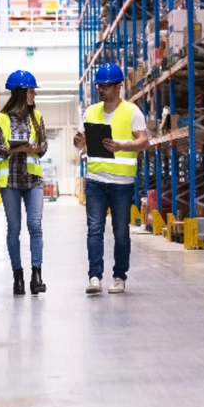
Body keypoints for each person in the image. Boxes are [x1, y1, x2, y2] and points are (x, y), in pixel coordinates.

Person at [73, 61, 150, 295]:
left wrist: (122, 145)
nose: (101, 90)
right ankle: (94, 277)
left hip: (121, 184)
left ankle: (119, 277)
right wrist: (79, 141)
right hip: (96, 179)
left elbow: (144, 141)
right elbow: (80, 145)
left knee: (120, 233)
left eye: (106, 86)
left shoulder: (132, 111)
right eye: (99, 86)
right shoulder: (91, 112)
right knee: (94, 229)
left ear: (118, 87)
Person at [0, 70, 48, 295]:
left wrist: (35, 149)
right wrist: (19, 149)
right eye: (31, 91)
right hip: (11, 180)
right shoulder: (1, 119)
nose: (34, 95)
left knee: (35, 226)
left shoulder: (38, 118)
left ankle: (37, 275)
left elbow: (43, 147)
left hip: (33, 179)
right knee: (14, 229)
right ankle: (18, 277)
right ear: (20, 92)